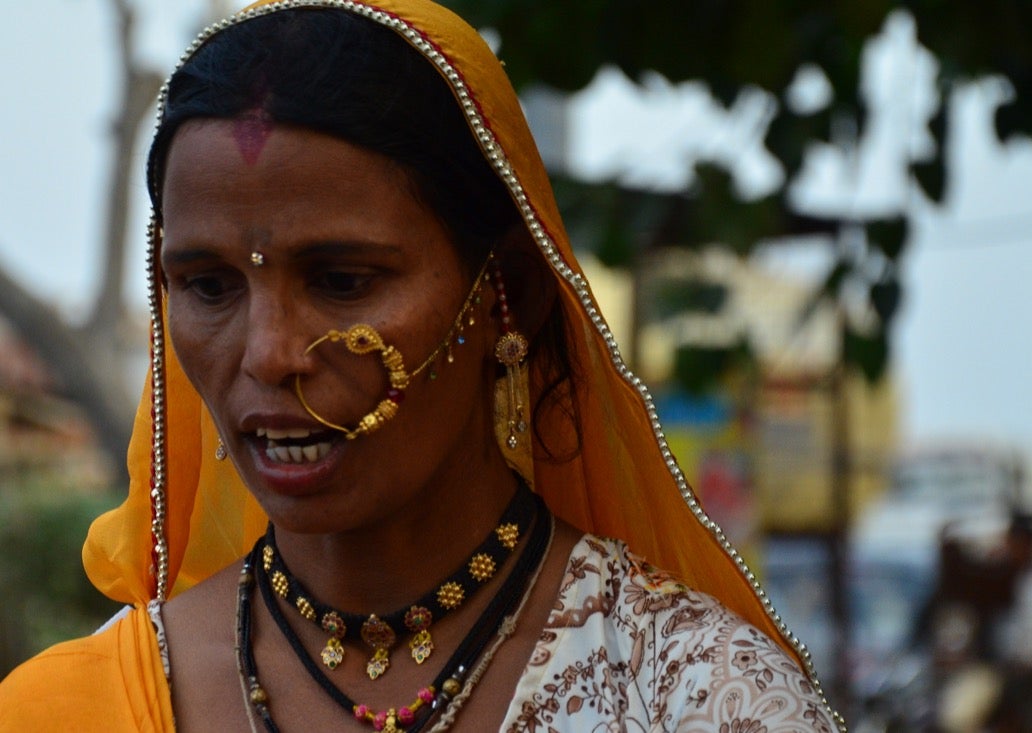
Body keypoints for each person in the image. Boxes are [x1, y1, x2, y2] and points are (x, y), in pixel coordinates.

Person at [0, 1, 843, 731]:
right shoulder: (65, 709)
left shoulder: (698, 696)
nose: (266, 355)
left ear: (507, 291)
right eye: (209, 285)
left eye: (341, 280)